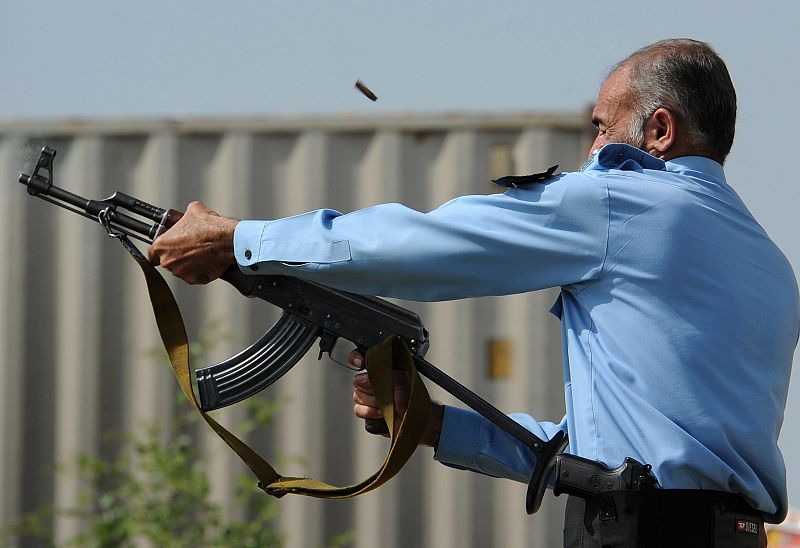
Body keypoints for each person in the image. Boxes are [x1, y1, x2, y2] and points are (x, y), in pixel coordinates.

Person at [149, 39, 799, 547]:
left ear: (659, 130)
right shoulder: (769, 265)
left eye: (602, 127)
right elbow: (613, 459)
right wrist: (436, 425)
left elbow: (420, 246)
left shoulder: (622, 199)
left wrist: (239, 240)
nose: (592, 150)